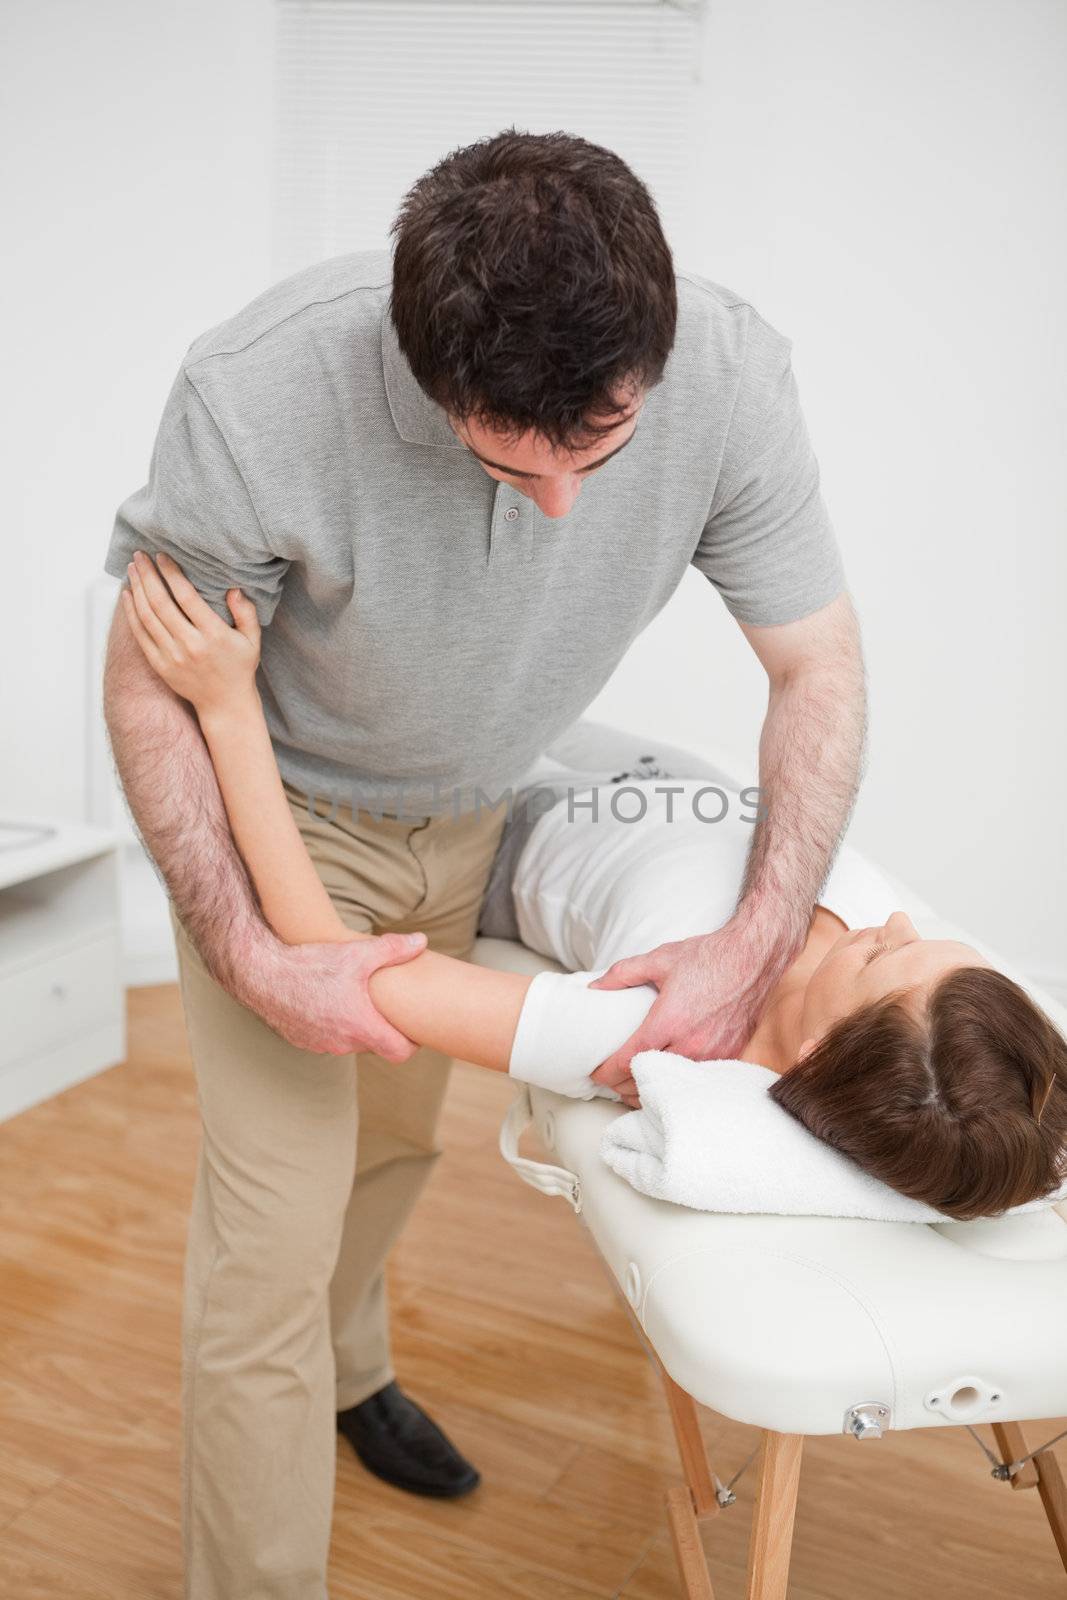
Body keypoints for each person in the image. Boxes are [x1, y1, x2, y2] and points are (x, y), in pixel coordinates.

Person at [102, 127, 866, 1599]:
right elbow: (155, 682)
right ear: (422, 374)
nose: (568, 509)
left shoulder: (729, 374)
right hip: (284, 817)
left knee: (393, 1144)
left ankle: (349, 1368)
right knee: (267, 1238)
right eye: (510, 462)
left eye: (605, 449)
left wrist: (755, 941)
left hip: (473, 811)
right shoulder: (255, 393)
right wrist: (249, 946)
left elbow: (815, 670)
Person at [122, 549, 1067, 1227]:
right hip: (663, 775)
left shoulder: (648, 1037)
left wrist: (227, 704)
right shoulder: (950, 1030)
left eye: (878, 951)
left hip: (501, 820)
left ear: (820, 1046)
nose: (895, 919)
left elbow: (340, 966)